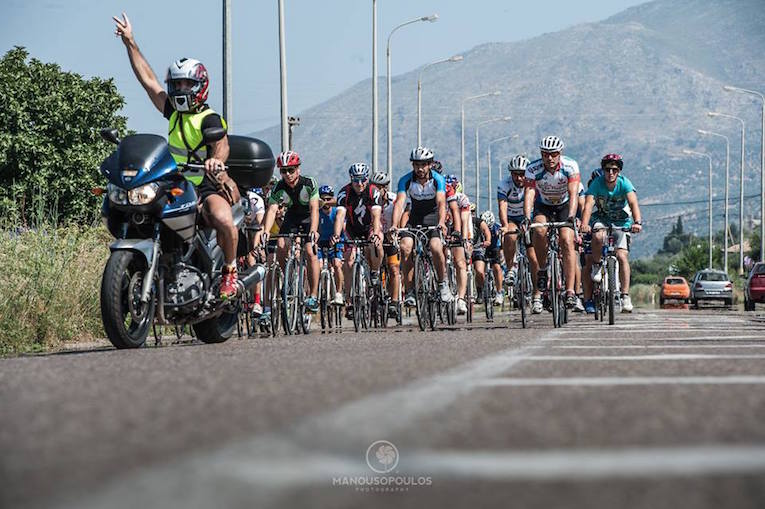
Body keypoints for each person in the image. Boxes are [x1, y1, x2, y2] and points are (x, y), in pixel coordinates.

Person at [113, 12, 241, 299]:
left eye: (187, 84)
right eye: (178, 84)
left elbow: (222, 144)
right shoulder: (171, 112)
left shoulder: (209, 118)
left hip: (205, 183)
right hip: (173, 183)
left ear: (199, 86)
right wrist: (130, 42)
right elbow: (148, 80)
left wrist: (216, 160)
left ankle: (229, 273)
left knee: (222, 218)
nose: (181, 89)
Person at [522, 135, 581, 314]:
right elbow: (530, 193)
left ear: (560, 153)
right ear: (541, 154)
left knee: (566, 239)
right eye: (546, 154)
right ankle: (543, 268)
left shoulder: (571, 166)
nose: (549, 158)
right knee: (539, 231)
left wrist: (571, 216)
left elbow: (573, 194)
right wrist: (526, 216)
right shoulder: (532, 168)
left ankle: (570, 290)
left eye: (553, 154)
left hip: (564, 206)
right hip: (543, 206)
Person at [580, 153, 643, 313]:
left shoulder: (624, 183)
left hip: (622, 222)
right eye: (607, 169)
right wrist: (585, 224)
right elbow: (588, 205)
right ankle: (596, 265)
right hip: (602, 219)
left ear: (619, 171)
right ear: (603, 170)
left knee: (622, 256)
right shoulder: (597, 183)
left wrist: (637, 222)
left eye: (614, 170)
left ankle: (625, 295)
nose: (611, 173)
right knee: (598, 235)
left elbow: (633, 202)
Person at [261, 150, 321, 313]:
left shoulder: (309, 183)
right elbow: (272, 210)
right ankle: (289, 278)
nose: (287, 174)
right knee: (281, 245)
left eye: (291, 170)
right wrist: (265, 231)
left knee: (310, 251)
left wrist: (314, 231)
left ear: (298, 169)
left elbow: (315, 208)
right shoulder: (279, 187)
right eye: (283, 171)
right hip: (292, 217)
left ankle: (313, 295)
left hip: (309, 218)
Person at [391, 147, 453, 305]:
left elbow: (441, 202)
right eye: (416, 165)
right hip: (415, 217)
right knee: (405, 247)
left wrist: (441, 223)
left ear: (430, 164)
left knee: (436, 246)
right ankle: (410, 290)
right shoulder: (405, 180)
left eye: (423, 164)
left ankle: (442, 284)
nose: (420, 168)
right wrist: (394, 225)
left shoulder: (438, 179)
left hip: (433, 218)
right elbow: (399, 204)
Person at [332, 163, 384, 316]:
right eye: (356, 180)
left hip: (369, 227)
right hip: (352, 230)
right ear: (351, 179)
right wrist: (336, 235)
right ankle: (349, 300)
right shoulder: (344, 193)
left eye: (363, 180)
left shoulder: (373, 191)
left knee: (377, 244)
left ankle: (374, 271)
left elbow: (376, 216)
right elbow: (340, 216)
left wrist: (375, 233)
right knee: (348, 261)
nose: (359, 184)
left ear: (367, 179)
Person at [497, 155, 538, 295]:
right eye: (516, 174)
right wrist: (504, 224)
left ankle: (536, 295)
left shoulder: (533, 183)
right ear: (511, 174)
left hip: (529, 218)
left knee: (533, 258)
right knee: (510, 234)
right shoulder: (504, 185)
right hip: (512, 218)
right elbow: (502, 207)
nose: (519, 178)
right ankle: (511, 268)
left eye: (522, 174)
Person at [371, 171, 402, 317]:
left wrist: (396, 232)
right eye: (374, 187)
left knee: (394, 269)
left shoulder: (394, 200)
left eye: (379, 187)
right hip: (376, 237)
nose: (376, 190)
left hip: (391, 238)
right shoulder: (369, 200)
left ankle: (394, 302)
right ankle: (372, 296)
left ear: (385, 188)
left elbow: (401, 218)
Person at [445, 175, 470, 315]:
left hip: (458, 227)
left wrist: (464, 238)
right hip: (444, 228)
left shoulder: (461, 199)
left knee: (460, 262)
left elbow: (464, 220)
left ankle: (461, 298)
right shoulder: (441, 195)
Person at [316, 185, 345, 307]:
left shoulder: (337, 211)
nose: (325, 202)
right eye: (322, 199)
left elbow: (342, 227)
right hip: (321, 242)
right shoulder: (317, 213)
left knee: (337, 264)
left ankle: (338, 293)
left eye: (328, 199)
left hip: (335, 241)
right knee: (318, 265)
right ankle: (317, 292)